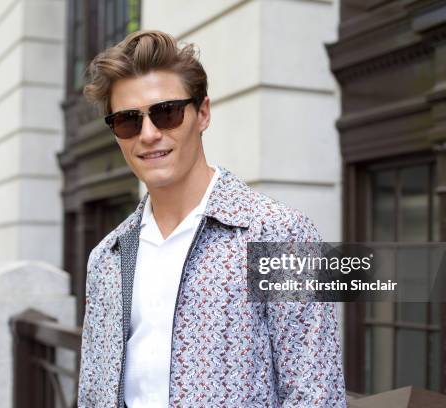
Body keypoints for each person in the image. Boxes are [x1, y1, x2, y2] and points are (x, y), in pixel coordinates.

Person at [77, 30, 346, 408]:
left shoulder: (281, 234)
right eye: (128, 121)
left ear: (202, 113)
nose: (149, 134)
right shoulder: (107, 257)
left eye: (166, 112)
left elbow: (316, 395)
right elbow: (93, 395)